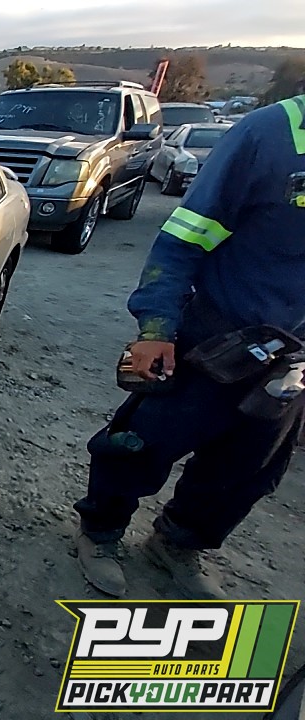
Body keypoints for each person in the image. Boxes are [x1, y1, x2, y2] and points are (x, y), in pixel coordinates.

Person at [73, 84, 305, 599]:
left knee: (248, 467)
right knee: (140, 443)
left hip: (293, 360)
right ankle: (101, 531)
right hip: (218, 336)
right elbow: (182, 239)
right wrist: (157, 329)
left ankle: (179, 544)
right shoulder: (267, 137)